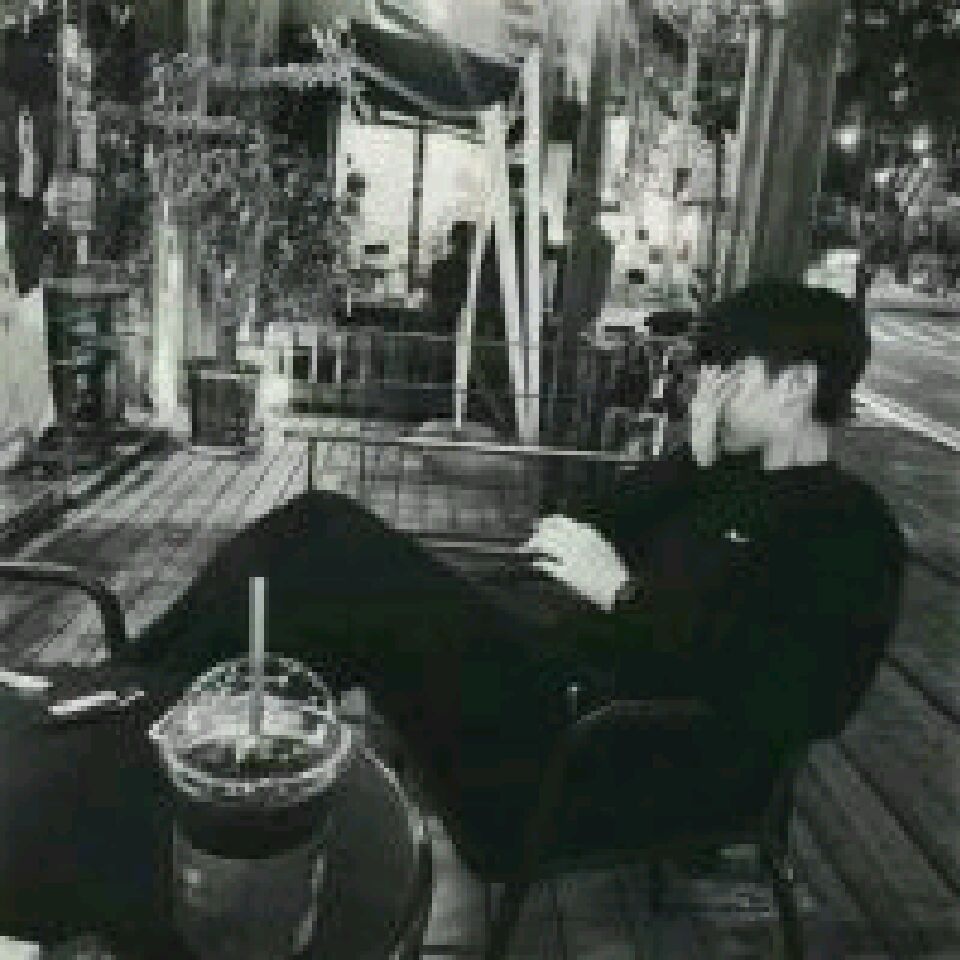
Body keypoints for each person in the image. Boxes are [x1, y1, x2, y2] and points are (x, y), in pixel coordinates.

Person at [0, 282, 905, 941]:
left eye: (726, 373)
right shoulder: (715, 479)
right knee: (314, 540)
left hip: (594, 750)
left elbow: (796, 701)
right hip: (547, 683)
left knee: (331, 545)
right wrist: (688, 462)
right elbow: (575, 525)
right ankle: (124, 720)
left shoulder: (847, 529)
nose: (703, 391)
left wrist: (623, 595)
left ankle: (113, 726)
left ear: (797, 384)